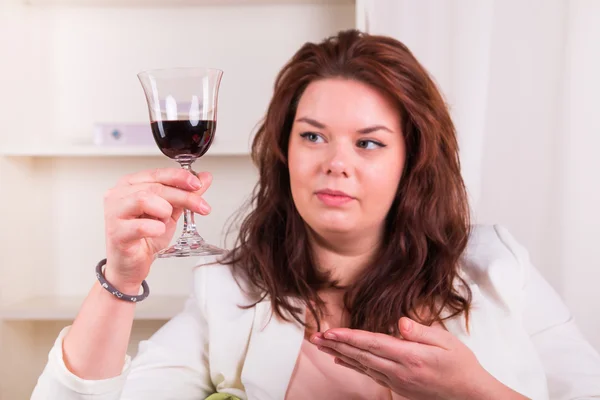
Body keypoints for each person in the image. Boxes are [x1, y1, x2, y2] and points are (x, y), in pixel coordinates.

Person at [32, 29, 600, 400]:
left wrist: (475, 391)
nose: (335, 164)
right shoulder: (229, 292)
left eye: (370, 143)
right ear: (284, 150)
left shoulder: (499, 268)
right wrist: (120, 279)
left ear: (413, 160)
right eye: (313, 136)